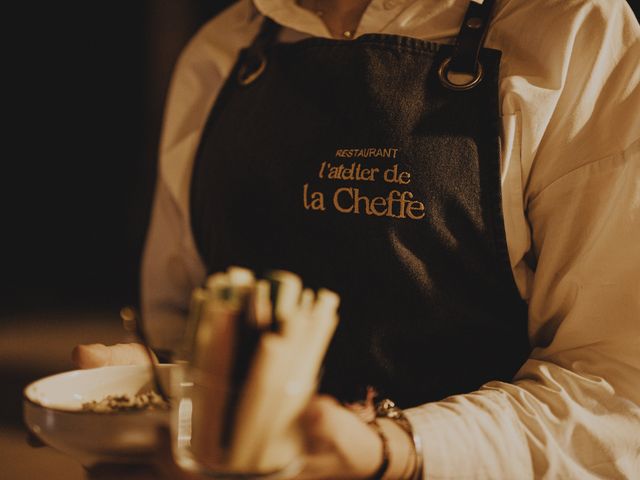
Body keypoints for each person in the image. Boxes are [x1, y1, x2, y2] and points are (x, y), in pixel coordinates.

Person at [75, 0, 640, 478]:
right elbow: (183, 327)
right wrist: (153, 386)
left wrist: (395, 449)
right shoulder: (223, 49)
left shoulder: (576, 35)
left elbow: (615, 398)